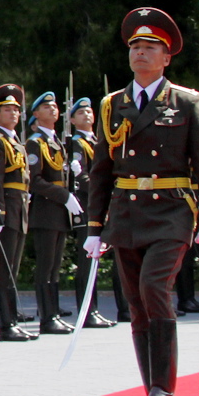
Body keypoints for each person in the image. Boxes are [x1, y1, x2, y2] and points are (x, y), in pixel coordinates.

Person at [84, 7, 199, 396]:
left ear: (166, 58)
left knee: (153, 287)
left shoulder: (185, 101)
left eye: (150, 47)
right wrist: (95, 227)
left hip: (171, 211)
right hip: (126, 213)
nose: (141, 53)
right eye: (135, 47)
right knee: (136, 304)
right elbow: (101, 170)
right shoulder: (113, 105)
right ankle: (154, 392)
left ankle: (164, 389)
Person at [25, 91, 86, 334]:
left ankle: (53, 313)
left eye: (55, 106)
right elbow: (35, 181)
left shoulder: (57, 142)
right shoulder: (35, 142)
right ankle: (47, 317)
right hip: (46, 211)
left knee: (54, 266)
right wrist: (64, 195)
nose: (52, 109)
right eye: (46, 107)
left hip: (59, 212)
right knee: (46, 265)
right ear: (36, 114)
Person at [0, 87, 35, 341]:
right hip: (7, 208)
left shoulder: (16, 142)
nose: (12, 113)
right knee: (4, 269)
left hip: (19, 207)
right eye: (6, 109)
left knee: (12, 268)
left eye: (15, 109)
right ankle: (6, 324)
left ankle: (12, 319)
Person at [67, 95, 127, 322]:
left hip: (110, 204)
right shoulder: (77, 144)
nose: (87, 115)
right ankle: (89, 311)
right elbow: (81, 176)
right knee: (88, 260)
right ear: (72, 120)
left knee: (120, 256)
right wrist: (104, 192)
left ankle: (125, 307)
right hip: (90, 205)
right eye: (81, 112)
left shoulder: (101, 140)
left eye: (90, 111)